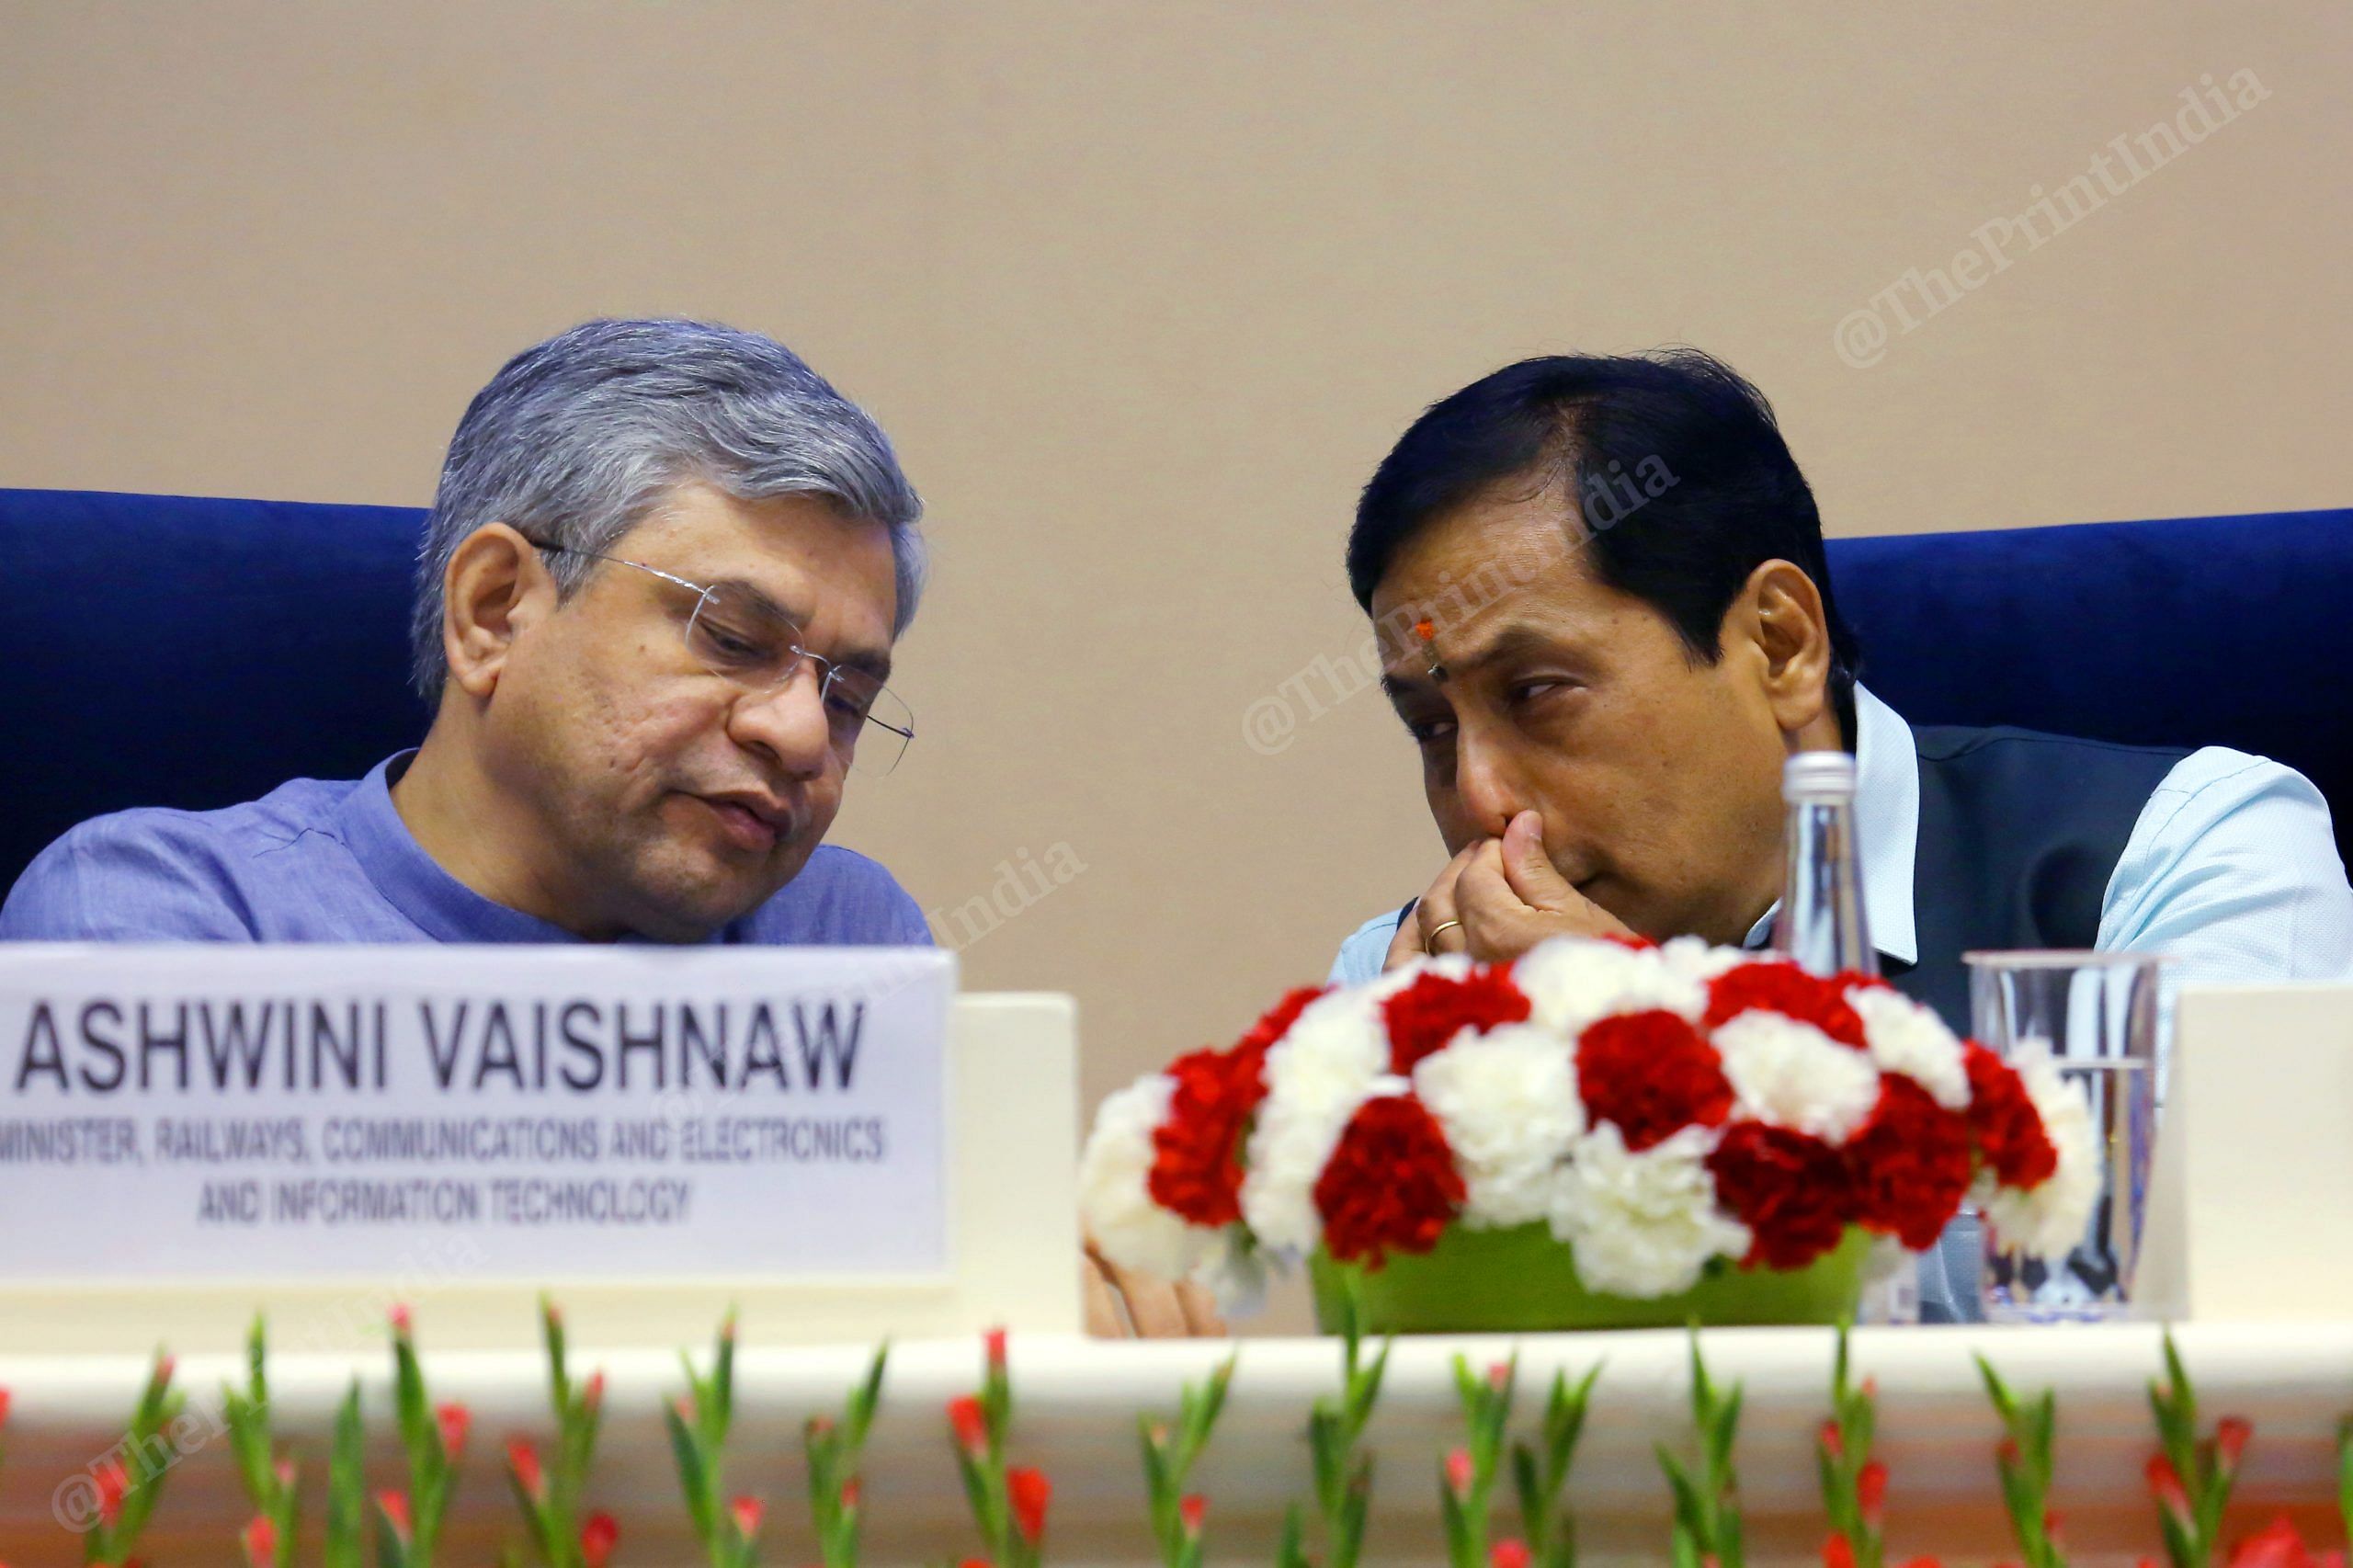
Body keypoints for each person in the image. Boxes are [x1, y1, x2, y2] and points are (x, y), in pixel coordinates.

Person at [1319, 347, 2353, 1323]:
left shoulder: (2183, 849)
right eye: (1431, 725)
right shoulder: (1409, 973)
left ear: (1780, 643)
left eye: (1536, 691)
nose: (1481, 795)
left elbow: (2204, 1295)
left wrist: (1660, 1060)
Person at [0, 318, 932, 949]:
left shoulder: (843, 938)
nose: (804, 735)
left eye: (846, 696)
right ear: (494, 610)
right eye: (731, 636)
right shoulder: (166, 921)